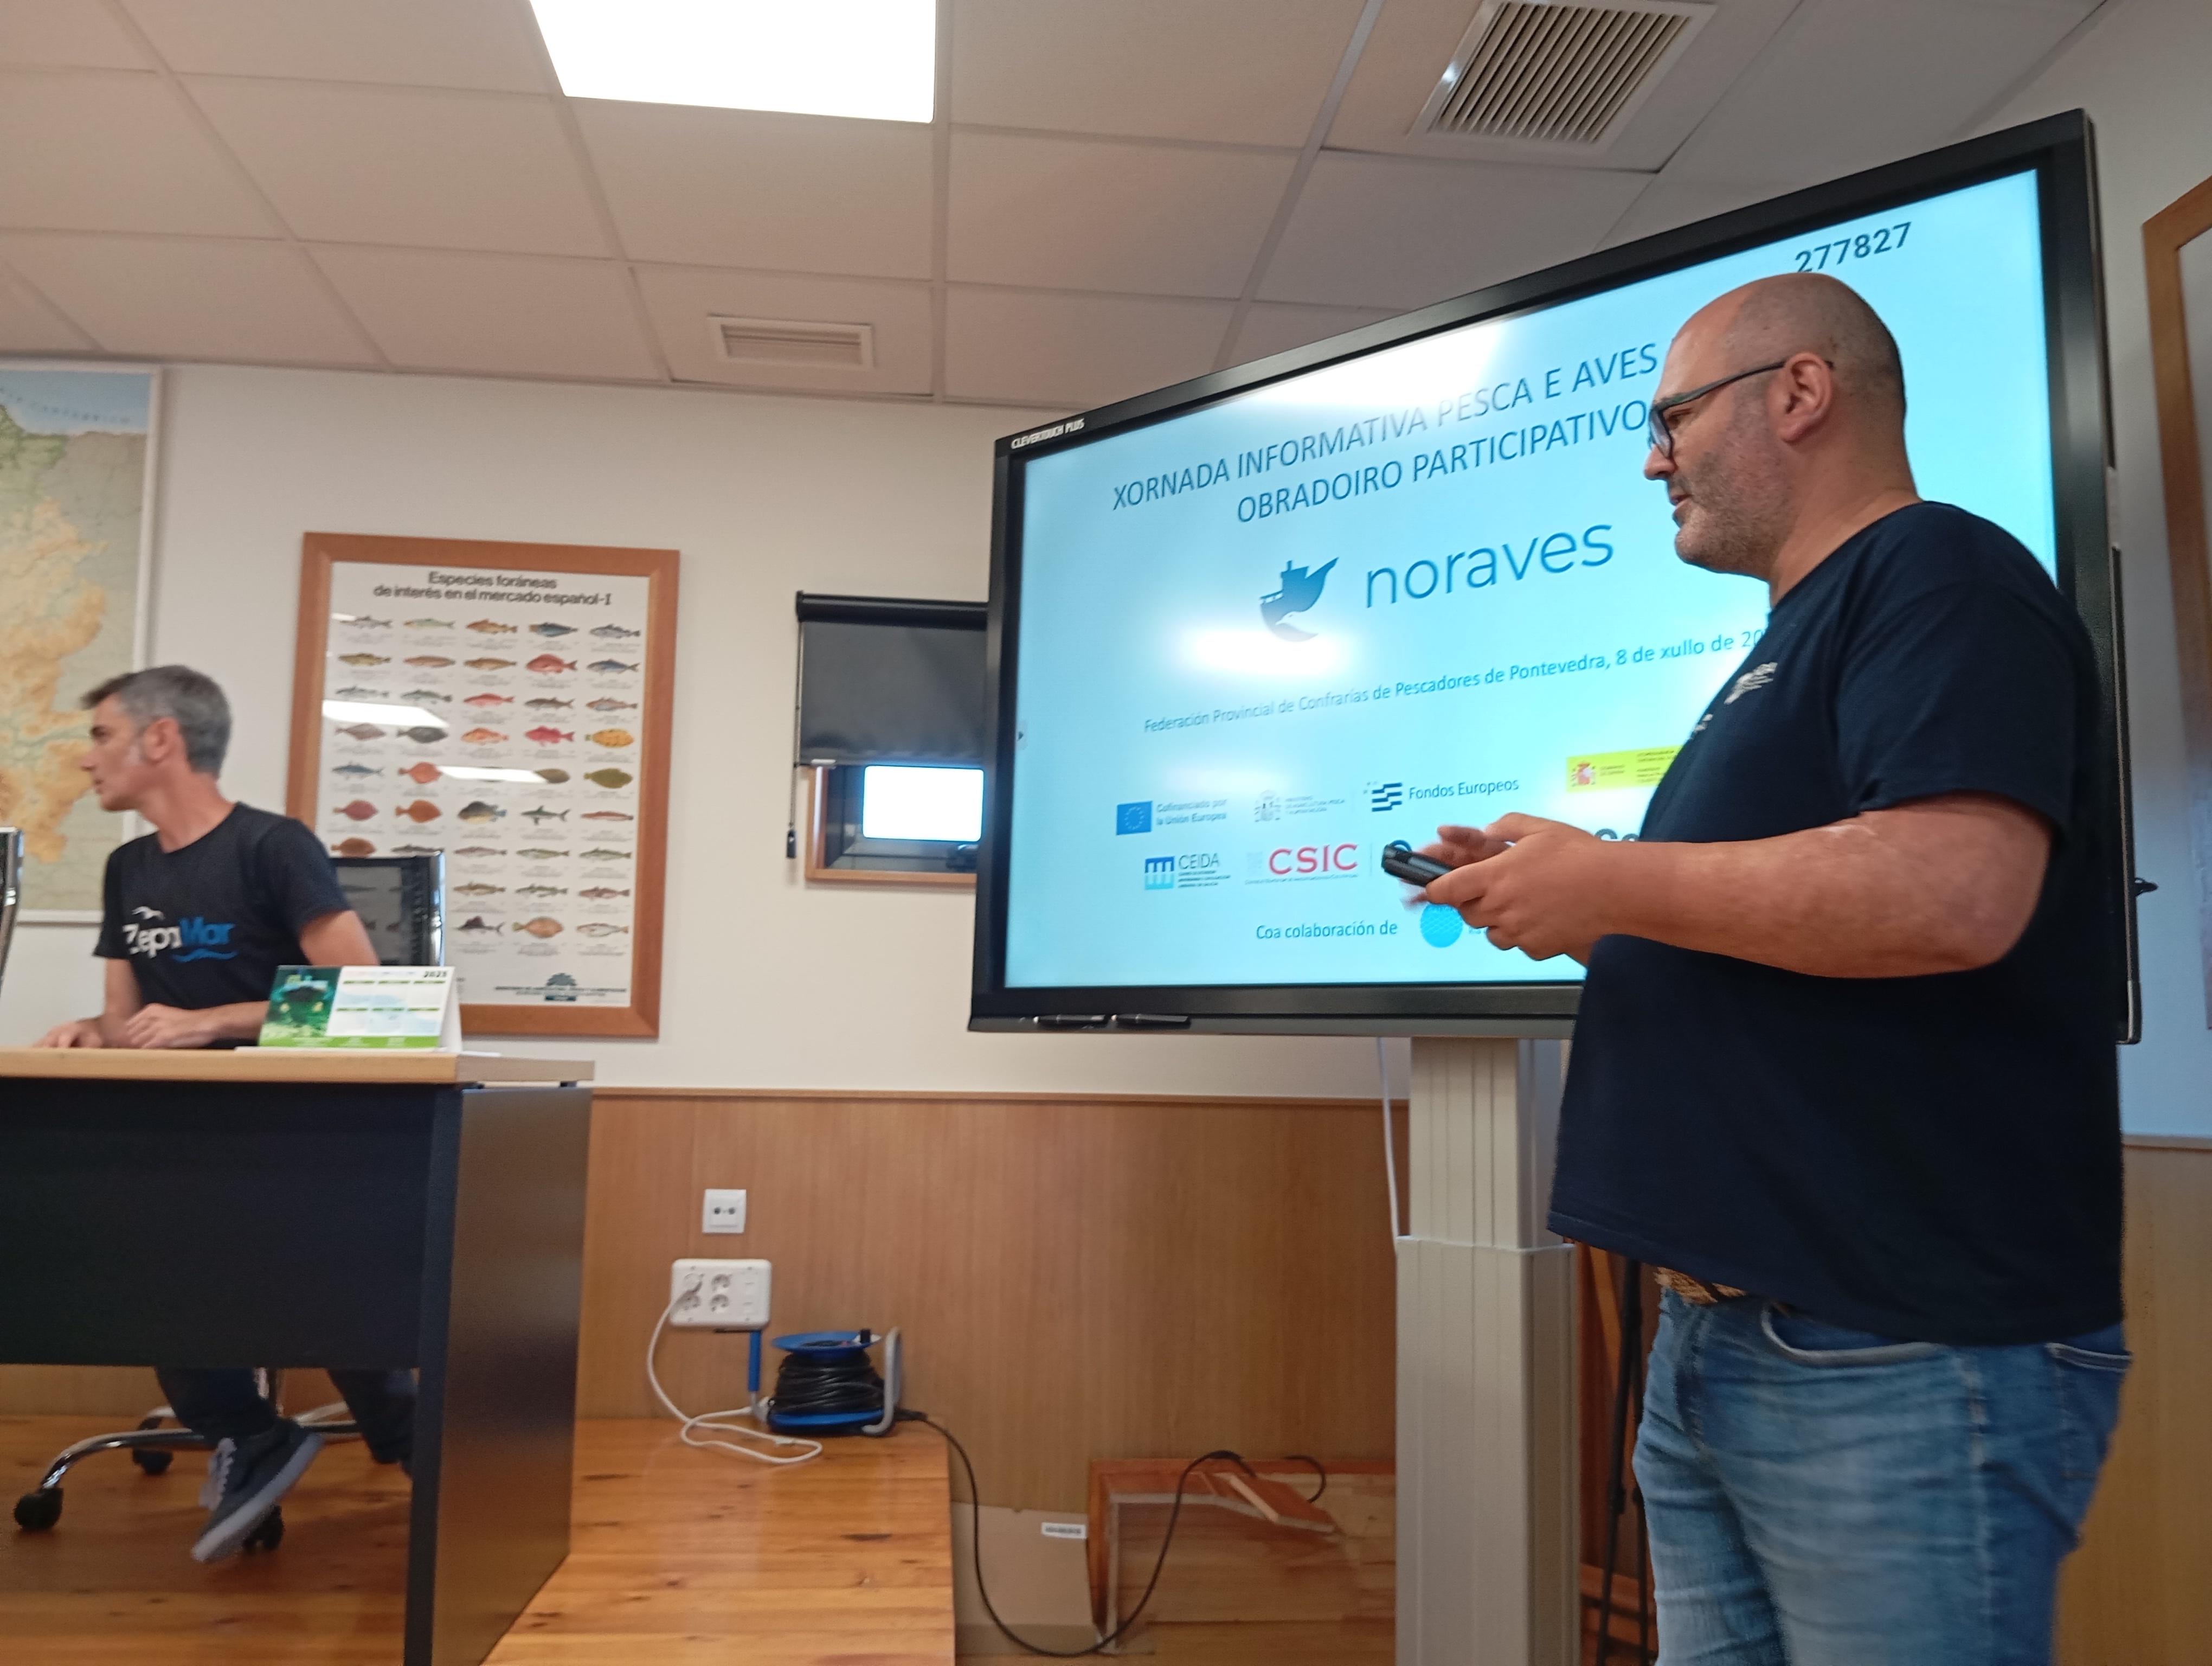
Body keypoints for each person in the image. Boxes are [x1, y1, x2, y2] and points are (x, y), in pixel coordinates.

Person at [1417, 273, 2125, 1665]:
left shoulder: (1942, 574)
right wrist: (1566, 885)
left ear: (1799, 393)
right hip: (1726, 1338)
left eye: (1673, 417)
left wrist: (1609, 880)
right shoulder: (1792, 640)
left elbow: (1954, 893)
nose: (1653, 459)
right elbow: (1770, 924)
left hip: (1895, 1348)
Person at [34, 665, 418, 1564]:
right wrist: (95, 1031)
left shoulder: (272, 847)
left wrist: (213, 1020)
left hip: (295, 1131)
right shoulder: (128, 867)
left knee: (323, 1289)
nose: (87, 758)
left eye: (101, 735)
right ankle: (251, 1435)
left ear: (161, 739)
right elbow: (130, 1019)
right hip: (178, 1129)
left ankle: (420, 1448)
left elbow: (366, 995)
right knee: (153, 1264)